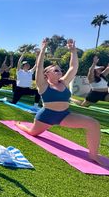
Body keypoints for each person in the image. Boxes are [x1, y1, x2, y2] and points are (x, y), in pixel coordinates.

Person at [15, 38, 106, 166]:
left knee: (94, 124)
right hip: (45, 117)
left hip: (64, 116)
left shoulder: (64, 82)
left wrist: (73, 51)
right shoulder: (43, 85)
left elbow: (73, 67)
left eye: (60, 70)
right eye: (56, 70)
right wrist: (42, 50)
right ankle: (20, 125)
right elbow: (39, 66)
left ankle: (93, 154)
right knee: (32, 132)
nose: (60, 72)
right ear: (47, 74)